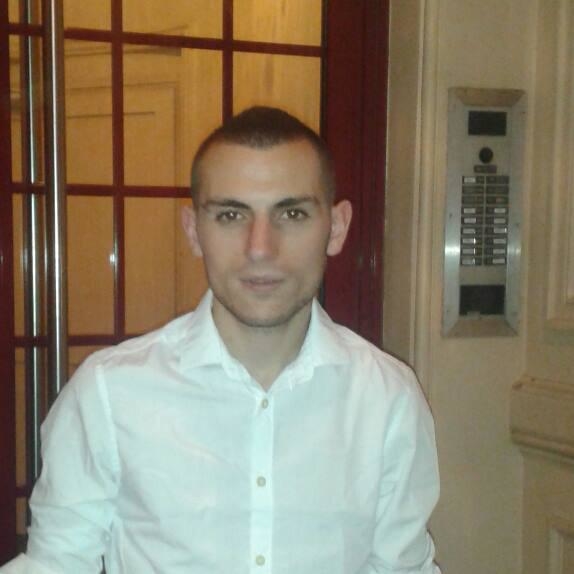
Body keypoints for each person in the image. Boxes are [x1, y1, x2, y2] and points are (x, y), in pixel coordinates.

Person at [1, 106, 441, 573]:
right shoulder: (108, 394)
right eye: (231, 215)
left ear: (336, 228)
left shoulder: (388, 397)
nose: (260, 248)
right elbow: (55, 564)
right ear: (194, 231)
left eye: (292, 213)